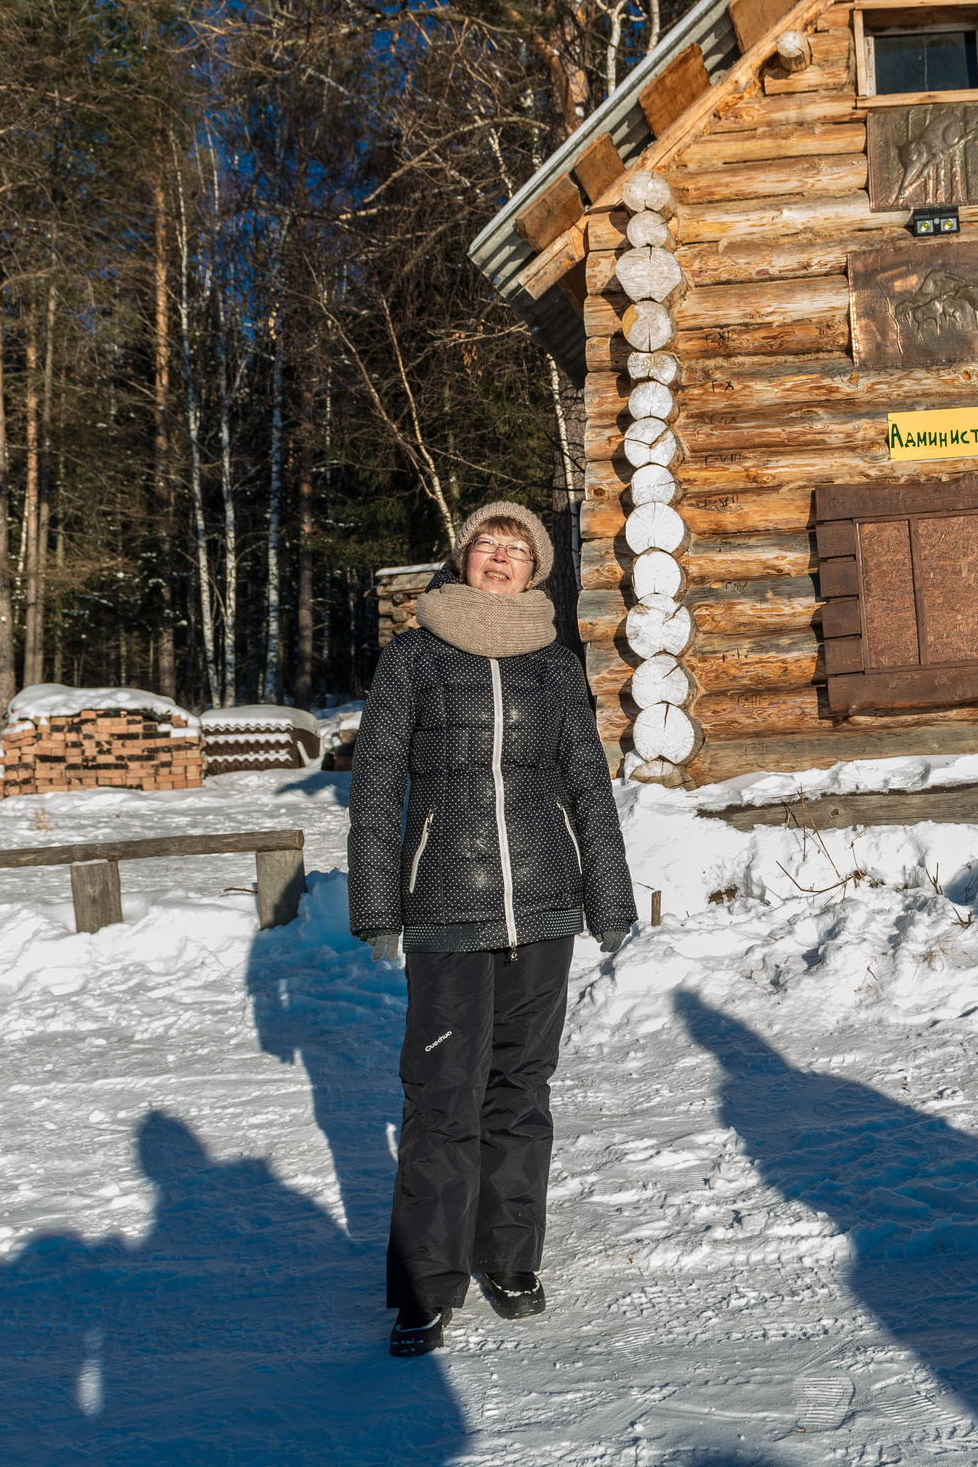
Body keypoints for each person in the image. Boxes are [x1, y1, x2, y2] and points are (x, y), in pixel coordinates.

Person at [345, 500, 636, 1357]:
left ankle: (510, 1259)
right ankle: (425, 1288)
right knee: (441, 1100)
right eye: (488, 544)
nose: (500, 558)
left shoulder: (554, 663)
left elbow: (588, 785)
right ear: (463, 556)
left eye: (517, 549)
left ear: (535, 568)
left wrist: (609, 897)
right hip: (442, 908)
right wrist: (376, 905)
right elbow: (375, 790)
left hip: (544, 906)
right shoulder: (414, 657)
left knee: (520, 1092)